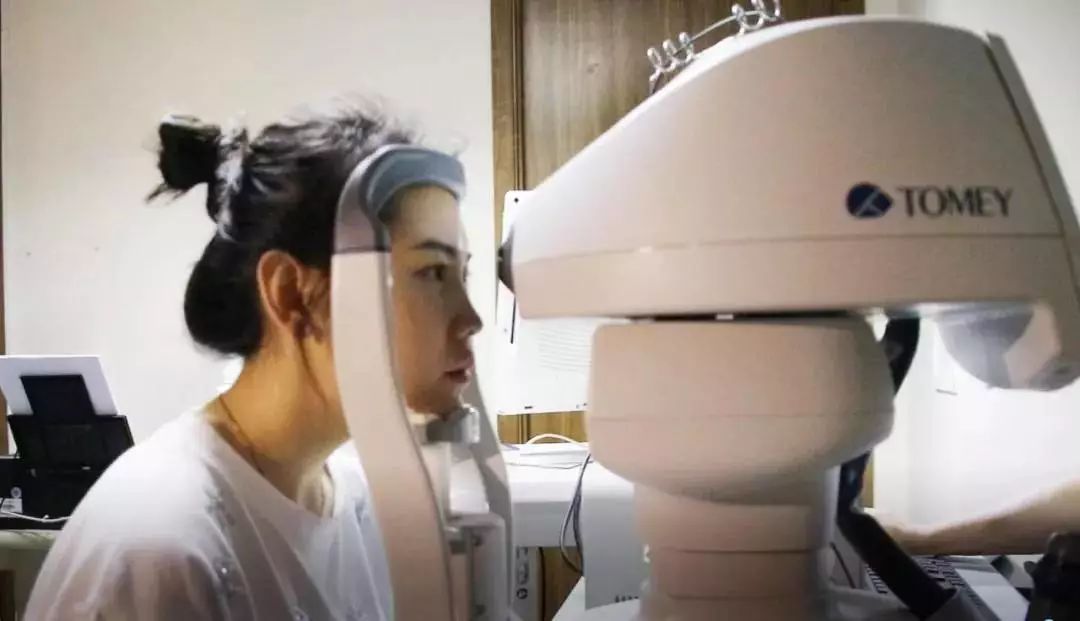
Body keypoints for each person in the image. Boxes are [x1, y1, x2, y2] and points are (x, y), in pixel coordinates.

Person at [25, 100, 482, 620]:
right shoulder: (160, 548)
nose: (470, 319)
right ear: (291, 293)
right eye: (431, 273)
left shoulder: (359, 505)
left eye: (461, 275)